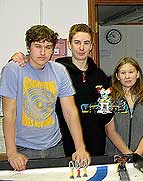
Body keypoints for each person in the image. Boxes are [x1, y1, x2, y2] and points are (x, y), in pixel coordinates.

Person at [10, 24, 113, 157]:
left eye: (86, 43)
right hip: (62, 144)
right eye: (77, 42)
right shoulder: (57, 71)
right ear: (69, 44)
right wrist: (20, 57)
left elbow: (106, 113)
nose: (81, 48)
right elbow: (32, 67)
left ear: (91, 46)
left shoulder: (100, 75)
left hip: (95, 143)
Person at [0, 25, 90, 171]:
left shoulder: (59, 71)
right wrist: (11, 152)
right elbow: (9, 113)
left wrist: (80, 147)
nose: (43, 52)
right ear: (28, 47)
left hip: (55, 146)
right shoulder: (14, 69)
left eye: (48, 47)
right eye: (38, 46)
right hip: (24, 148)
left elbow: (70, 112)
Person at [105, 57, 143, 160]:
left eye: (131, 72)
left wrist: (137, 155)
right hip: (116, 157)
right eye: (123, 73)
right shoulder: (109, 99)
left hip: (142, 157)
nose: (127, 76)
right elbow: (110, 131)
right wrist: (128, 154)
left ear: (137, 74)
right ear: (117, 76)